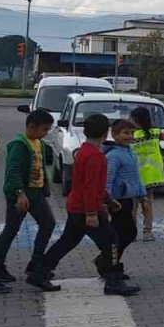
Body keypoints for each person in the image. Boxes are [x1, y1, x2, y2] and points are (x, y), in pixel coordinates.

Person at [27, 114, 136, 296]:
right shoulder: (96, 156)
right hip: (86, 208)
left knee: (67, 241)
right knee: (111, 240)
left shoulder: (84, 150)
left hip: (77, 206)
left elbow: (91, 184)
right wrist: (92, 213)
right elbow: (90, 187)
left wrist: (108, 200)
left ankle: (39, 272)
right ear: (105, 133)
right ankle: (112, 281)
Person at [0, 109, 56, 289]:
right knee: (12, 228)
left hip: (36, 192)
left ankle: (35, 264)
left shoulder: (39, 143)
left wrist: (45, 186)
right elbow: (13, 171)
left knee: (48, 224)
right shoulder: (18, 144)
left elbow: (43, 166)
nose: (45, 133)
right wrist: (19, 194)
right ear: (31, 126)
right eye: (44, 129)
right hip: (20, 194)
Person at [103, 119, 146, 290]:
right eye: (125, 133)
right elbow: (107, 180)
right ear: (114, 135)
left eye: (132, 133)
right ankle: (109, 267)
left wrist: (142, 195)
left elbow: (136, 177)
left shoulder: (130, 152)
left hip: (128, 198)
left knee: (125, 233)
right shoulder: (113, 155)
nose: (129, 136)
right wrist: (107, 201)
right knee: (123, 234)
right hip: (117, 202)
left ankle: (110, 264)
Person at [130, 105, 164, 241]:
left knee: (132, 208)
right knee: (147, 205)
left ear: (134, 120)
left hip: (134, 177)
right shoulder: (155, 133)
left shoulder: (130, 135)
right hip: (151, 177)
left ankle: (131, 234)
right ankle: (147, 232)